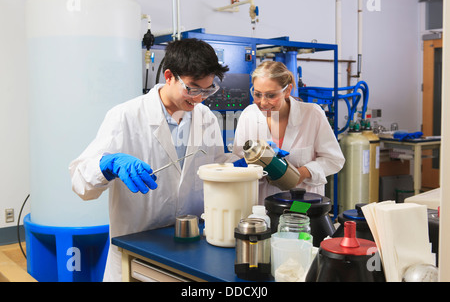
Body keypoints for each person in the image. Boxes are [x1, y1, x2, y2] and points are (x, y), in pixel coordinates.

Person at [69, 38, 237, 282]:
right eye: (192, 88)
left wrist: (240, 166)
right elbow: (80, 182)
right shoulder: (125, 116)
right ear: (169, 76)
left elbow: (215, 163)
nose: (200, 98)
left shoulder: (205, 117)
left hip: (191, 248)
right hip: (137, 247)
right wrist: (109, 164)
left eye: (208, 90)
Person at [232, 61, 345, 204]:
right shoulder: (249, 115)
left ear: (287, 90)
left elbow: (334, 160)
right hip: (262, 206)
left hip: (301, 205)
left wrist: (302, 173)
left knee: (299, 225)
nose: (263, 102)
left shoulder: (312, 114)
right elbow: (238, 160)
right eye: (257, 94)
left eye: (271, 95)